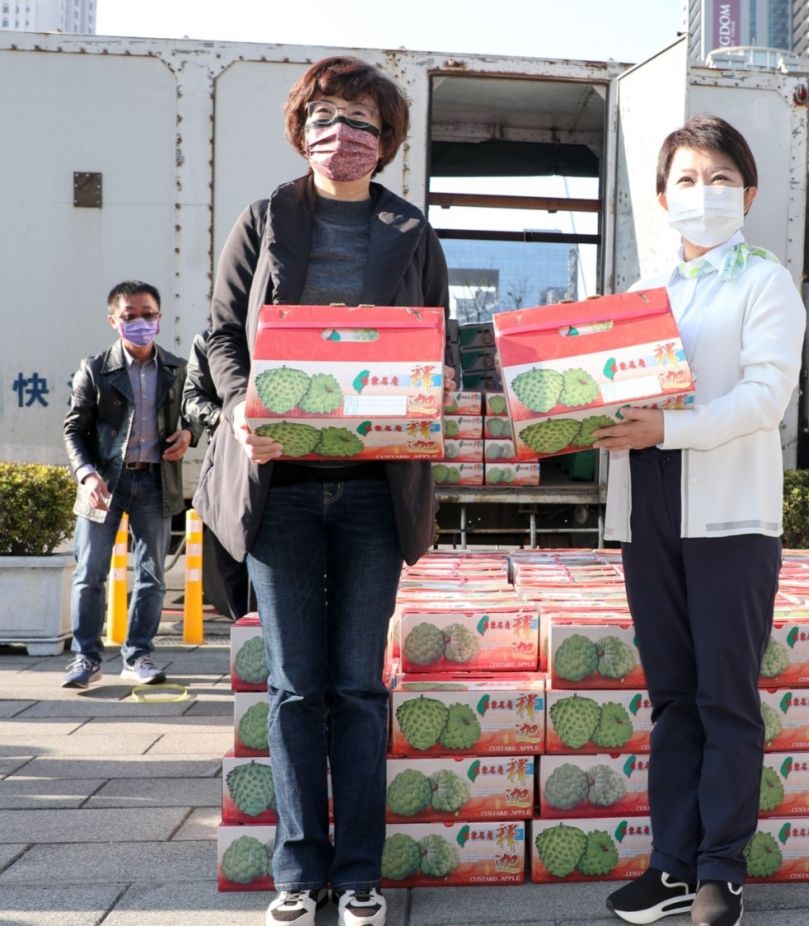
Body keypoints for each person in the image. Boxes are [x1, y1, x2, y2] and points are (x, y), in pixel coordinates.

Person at [193, 56, 450, 926]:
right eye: (329, 117)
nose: (345, 135)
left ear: (388, 143)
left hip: (375, 494)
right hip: (284, 493)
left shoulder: (412, 232)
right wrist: (238, 406)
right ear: (302, 127)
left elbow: (436, 347)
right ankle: (298, 871)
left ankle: (360, 872)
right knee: (297, 686)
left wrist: (430, 391)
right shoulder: (266, 218)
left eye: (365, 122)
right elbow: (222, 332)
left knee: (359, 686)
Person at [594, 115, 806, 926]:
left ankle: (722, 867)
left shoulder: (765, 280)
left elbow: (764, 398)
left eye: (720, 178)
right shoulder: (647, 295)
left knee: (725, 698)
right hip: (649, 509)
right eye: (687, 179)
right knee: (674, 698)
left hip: (730, 518)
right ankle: (672, 865)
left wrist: (668, 428)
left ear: (748, 193)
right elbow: (613, 391)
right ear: (660, 197)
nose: (704, 193)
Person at [61, 280, 198, 689]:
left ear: (160, 318)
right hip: (104, 483)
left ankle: (138, 655)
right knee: (89, 573)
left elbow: (195, 413)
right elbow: (74, 430)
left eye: (147, 315)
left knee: (153, 574)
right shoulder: (96, 369)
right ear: (113, 321)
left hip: (155, 481)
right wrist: (87, 475)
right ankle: (85, 658)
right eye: (129, 316)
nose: (140, 322)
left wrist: (189, 434)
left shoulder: (176, 369)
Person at [182, 327, 253, 619]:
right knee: (231, 565)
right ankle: (246, 635)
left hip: (275, 461)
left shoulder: (277, 329)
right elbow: (192, 398)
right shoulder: (207, 340)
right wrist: (226, 418)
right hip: (227, 462)